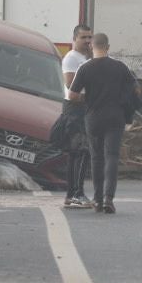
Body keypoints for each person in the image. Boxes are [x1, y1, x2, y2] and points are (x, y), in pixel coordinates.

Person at [69, 32, 140, 214]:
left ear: (92, 46)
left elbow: (72, 95)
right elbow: (136, 89)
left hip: (93, 118)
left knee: (96, 158)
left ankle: (97, 200)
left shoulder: (85, 68)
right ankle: (109, 199)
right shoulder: (120, 67)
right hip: (115, 117)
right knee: (112, 157)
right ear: (108, 47)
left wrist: (89, 98)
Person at [60, 24, 95, 208]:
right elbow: (70, 85)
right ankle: (76, 194)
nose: (88, 41)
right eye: (84, 37)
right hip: (75, 109)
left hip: (84, 109)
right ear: (75, 39)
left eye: (90, 37)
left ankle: (73, 194)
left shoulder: (87, 57)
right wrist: (92, 96)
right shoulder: (72, 58)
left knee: (79, 153)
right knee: (80, 152)